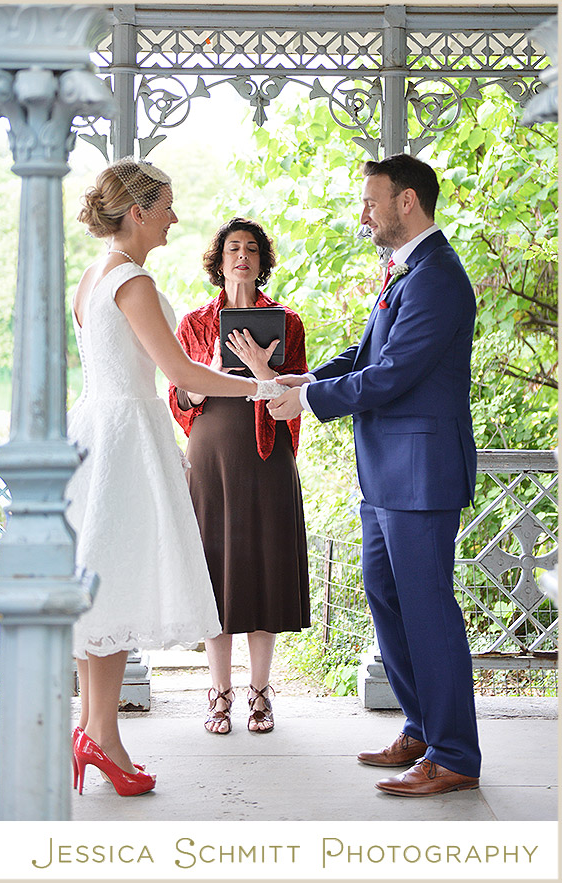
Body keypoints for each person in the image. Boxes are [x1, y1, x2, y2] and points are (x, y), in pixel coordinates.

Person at [67, 158, 287, 796]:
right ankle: (103, 738)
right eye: (166, 207)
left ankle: (91, 728)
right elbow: (184, 375)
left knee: (98, 587)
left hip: (96, 433)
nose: (175, 218)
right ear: (138, 212)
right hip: (127, 440)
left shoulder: (91, 276)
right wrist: (260, 385)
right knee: (110, 589)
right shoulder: (132, 281)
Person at [268, 153, 480, 796]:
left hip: (420, 473)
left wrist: (306, 403)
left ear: (407, 202)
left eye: (371, 200)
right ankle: (419, 729)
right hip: (386, 475)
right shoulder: (404, 272)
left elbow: (393, 376)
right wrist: (305, 379)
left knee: (428, 611)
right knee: (390, 604)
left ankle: (455, 756)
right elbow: (364, 357)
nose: (364, 211)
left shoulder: (438, 276)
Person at [169, 218, 311, 735]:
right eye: (233, 247)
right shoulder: (192, 323)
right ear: (219, 258)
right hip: (211, 453)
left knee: (263, 571)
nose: (243, 256)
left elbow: (292, 399)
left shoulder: (287, 323)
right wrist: (205, 373)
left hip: (266, 453)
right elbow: (179, 397)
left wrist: (260, 370)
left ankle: (260, 691)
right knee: (216, 569)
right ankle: (219, 691)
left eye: (252, 248)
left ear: (262, 259)